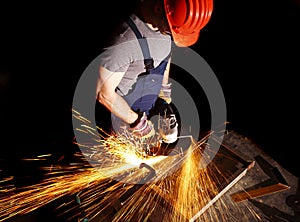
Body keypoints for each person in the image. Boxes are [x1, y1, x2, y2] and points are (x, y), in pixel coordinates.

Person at [95, 0, 213, 148]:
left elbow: (164, 56)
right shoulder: (124, 40)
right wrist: (137, 123)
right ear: (158, 9)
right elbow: (103, 93)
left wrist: (163, 93)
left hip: (145, 107)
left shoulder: (165, 24)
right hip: (121, 116)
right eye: (171, 30)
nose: (171, 35)